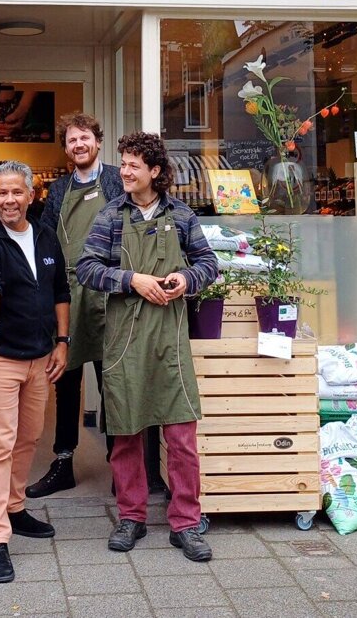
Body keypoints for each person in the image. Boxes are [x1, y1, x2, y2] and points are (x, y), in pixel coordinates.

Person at [75, 131, 219, 563]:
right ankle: (131, 516)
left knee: (181, 437)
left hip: (170, 339)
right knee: (125, 434)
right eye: (123, 164)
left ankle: (186, 523)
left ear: (155, 171)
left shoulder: (182, 216)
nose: (125, 171)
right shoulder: (110, 217)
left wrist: (185, 281)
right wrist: (130, 280)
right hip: (124, 339)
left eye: (134, 165)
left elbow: (209, 264)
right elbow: (86, 268)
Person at [0, 161, 70, 583]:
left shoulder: (45, 234)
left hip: (41, 357)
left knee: (28, 437)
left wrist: (63, 342)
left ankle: (15, 506)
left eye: (16, 192)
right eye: (1, 193)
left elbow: (61, 289)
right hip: (2, 358)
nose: (8, 200)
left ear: (31, 194)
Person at [26, 113, 124, 499]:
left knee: (113, 380)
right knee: (65, 381)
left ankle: (124, 466)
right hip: (67, 292)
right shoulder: (61, 188)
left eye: (84, 138)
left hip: (109, 290)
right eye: (71, 140)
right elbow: (48, 238)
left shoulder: (117, 179)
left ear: (98, 141)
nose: (78, 145)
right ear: (66, 149)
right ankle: (63, 462)